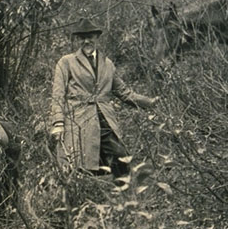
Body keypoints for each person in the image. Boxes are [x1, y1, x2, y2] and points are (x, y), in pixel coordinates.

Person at [50, 18, 158, 182]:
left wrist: (149, 102)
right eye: (82, 37)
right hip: (78, 121)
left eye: (90, 37)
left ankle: (124, 199)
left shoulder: (107, 64)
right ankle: (85, 202)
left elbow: (124, 92)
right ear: (77, 40)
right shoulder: (66, 62)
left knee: (121, 159)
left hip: (105, 121)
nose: (87, 41)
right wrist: (58, 123)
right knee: (78, 167)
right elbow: (58, 95)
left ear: (96, 38)